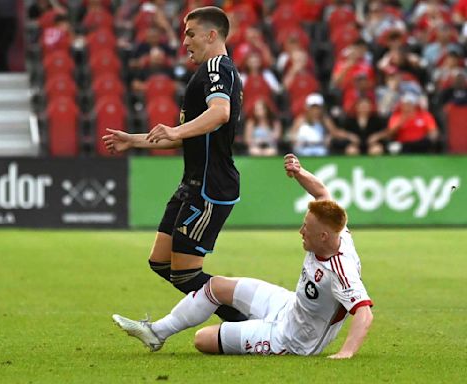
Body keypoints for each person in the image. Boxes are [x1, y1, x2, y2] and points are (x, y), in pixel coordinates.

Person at [113, 154, 374, 359]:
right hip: (287, 305)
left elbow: (364, 313)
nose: (301, 231)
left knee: (202, 340)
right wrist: (299, 172)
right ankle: (155, 333)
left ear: (325, 237)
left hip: (293, 339)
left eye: (307, 228)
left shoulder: (341, 270)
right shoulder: (338, 231)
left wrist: (346, 352)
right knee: (214, 287)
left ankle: (255, 329)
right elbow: (322, 194)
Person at [102, 6, 246, 322]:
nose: (184, 42)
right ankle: (248, 318)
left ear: (211, 35)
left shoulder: (217, 68)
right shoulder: (207, 72)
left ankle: (253, 317)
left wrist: (177, 129)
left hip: (210, 185)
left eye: (190, 34)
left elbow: (220, 113)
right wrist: (134, 140)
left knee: (185, 274)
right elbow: (186, 137)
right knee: (160, 262)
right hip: (192, 183)